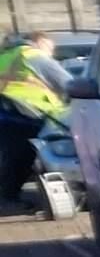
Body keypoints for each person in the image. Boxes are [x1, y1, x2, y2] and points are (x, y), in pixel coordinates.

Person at [0, 32, 68, 210]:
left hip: (8, 113)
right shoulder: (33, 55)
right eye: (50, 49)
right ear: (39, 43)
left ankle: (8, 197)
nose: (51, 55)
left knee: (11, 157)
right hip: (22, 115)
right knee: (20, 158)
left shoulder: (6, 55)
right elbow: (67, 83)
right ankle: (8, 200)